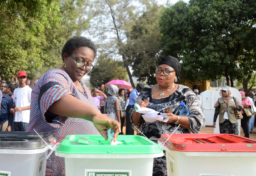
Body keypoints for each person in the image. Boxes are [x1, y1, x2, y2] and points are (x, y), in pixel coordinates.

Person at [26, 36, 120, 176]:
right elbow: (56, 100)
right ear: (65, 57)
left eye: (89, 64)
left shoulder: (83, 86)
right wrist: (95, 115)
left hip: (76, 163)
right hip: (52, 161)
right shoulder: (55, 76)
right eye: (80, 61)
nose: (85, 67)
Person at [132, 55, 204, 176]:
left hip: (174, 150)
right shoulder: (146, 91)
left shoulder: (185, 93)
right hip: (149, 149)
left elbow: (198, 120)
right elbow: (134, 121)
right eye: (159, 70)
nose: (161, 74)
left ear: (175, 75)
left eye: (166, 71)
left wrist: (176, 119)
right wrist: (138, 109)